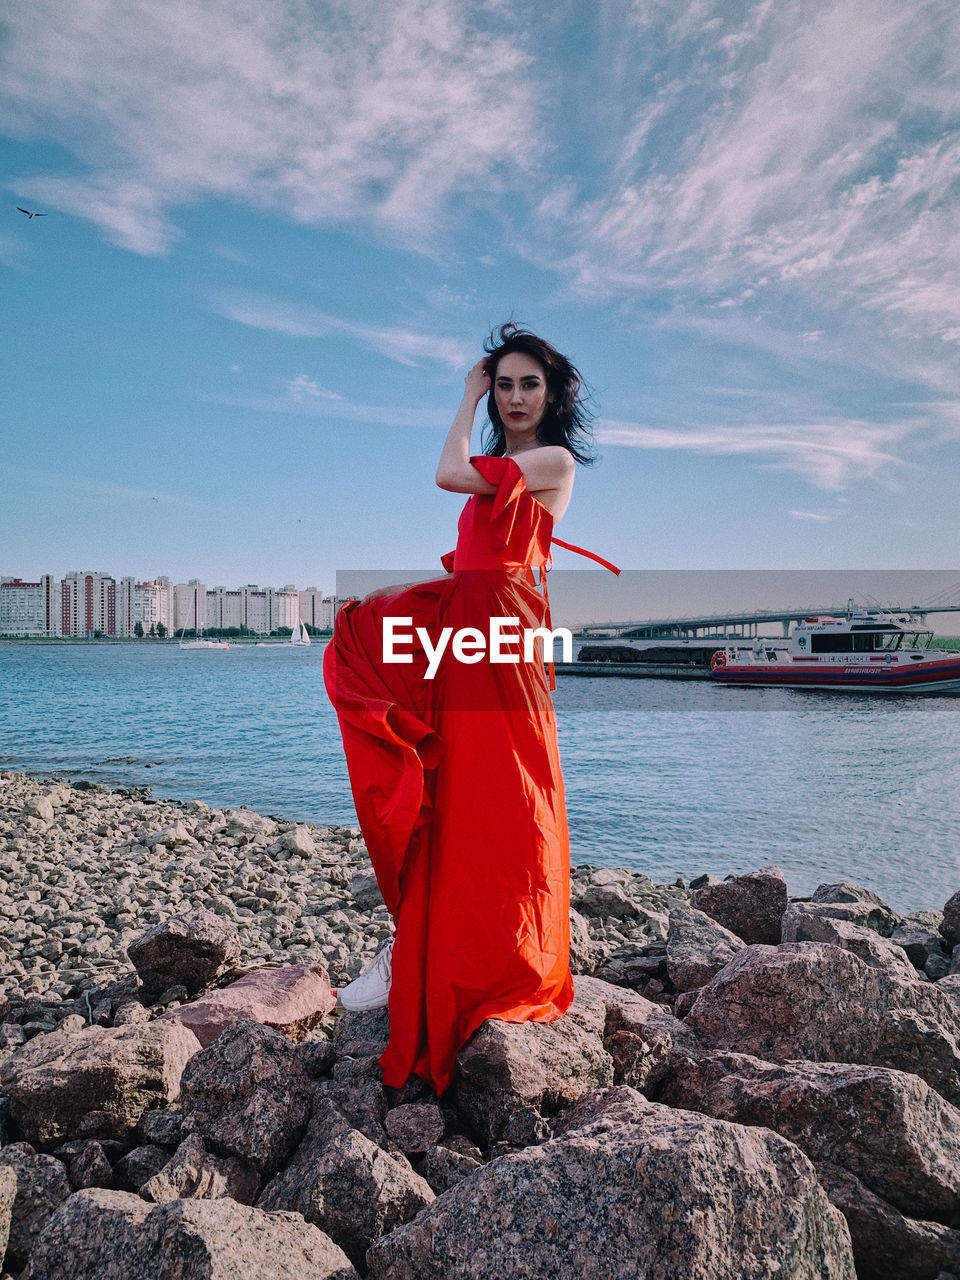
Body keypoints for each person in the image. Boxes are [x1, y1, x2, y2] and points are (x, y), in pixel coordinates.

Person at [322, 322, 618, 1096]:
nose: (514, 397)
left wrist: (465, 391)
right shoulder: (507, 464)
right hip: (467, 628)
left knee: (508, 804)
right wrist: (398, 599)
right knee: (449, 790)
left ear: (551, 396)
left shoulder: (548, 460)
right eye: (504, 384)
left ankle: (491, 961)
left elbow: (448, 474)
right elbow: (476, 548)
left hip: (507, 642)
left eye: (527, 385)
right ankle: (417, 946)